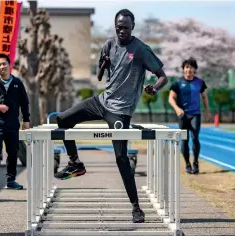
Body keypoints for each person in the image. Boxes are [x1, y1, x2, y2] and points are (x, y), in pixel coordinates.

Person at [54, 9, 168, 223]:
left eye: (125, 27)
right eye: (118, 26)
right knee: (62, 119)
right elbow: (99, 75)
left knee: (120, 157)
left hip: (121, 110)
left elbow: (163, 77)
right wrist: (104, 64)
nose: (121, 30)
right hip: (101, 101)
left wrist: (154, 88)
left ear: (132, 27)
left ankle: (136, 208)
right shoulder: (108, 44)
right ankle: (75, 163)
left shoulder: (141, 49)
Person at [0, 53, 30, 190]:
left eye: (4, 64)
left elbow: (25, 102)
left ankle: (11, 180)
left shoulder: (17, 83)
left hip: (12, 124)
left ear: (10, 66)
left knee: (13, 152)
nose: (2, 66)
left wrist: (26, 120)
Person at [168, 57, 210, 174]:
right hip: (182, 115)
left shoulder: (200, 83)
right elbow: (171, 98)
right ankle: (187, 164)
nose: (189, 70)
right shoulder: (177, 83)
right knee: (184, 140)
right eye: (186, 67)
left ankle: (196, 162)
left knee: (195, 138)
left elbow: (204, 97)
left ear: (195, 69)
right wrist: (177, 108)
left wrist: (207, 111)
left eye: (191, 67)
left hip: (195, 114)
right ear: (183, 69)